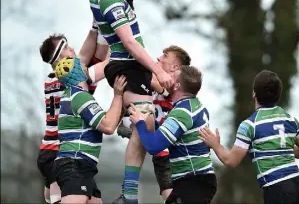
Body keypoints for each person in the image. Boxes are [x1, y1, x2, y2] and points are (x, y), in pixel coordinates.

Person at [81, 0, 173, 204]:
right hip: (126, 63)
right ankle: (129, 195)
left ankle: (124, 117)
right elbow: (130, 44)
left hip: (129, 65)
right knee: (145, 121)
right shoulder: (109, 0)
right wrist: (157, 69)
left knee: (157, 104)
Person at [199, 70, 299, 204]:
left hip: (277, 186)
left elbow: (231, 160)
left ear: (254, 93)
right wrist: (282, 150)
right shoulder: (290, 119)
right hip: (298, 183)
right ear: (278, 94)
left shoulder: (250, 125)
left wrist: (215, 145)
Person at [129, 66, 217, 204]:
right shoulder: (194, 105)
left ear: (177, 85)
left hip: (193, 182)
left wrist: (140, 123)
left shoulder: (182, 112)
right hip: (196, 180)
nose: (166, 76)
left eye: (172, 75)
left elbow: (153, 146)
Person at [37, 27, 103, 204]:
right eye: (66, 46)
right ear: (60, 57)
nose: (73, 49)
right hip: (58, 152)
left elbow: (83, 56)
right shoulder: (70, 82)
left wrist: (95, 28)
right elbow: (97, 61)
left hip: (49, 151)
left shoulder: (52, 80)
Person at [117, 45, 192, 201]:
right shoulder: (151, 84)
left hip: (178, 154)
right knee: (170, 197)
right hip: (161, 154)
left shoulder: (178, 85)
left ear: (175, 67)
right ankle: (128, 192)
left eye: (164, 56)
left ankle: (129, 193)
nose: (158, 58)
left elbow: (163, 85)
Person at [53, 56, 127, 204]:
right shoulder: (80, 97)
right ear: (77, 72)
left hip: (83, 166)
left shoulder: (73, 95)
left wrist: (122, 106)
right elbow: (108, 126)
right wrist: (118, 95)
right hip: (74, 164)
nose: (87, 67)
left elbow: (106, 123)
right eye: (82, 65)